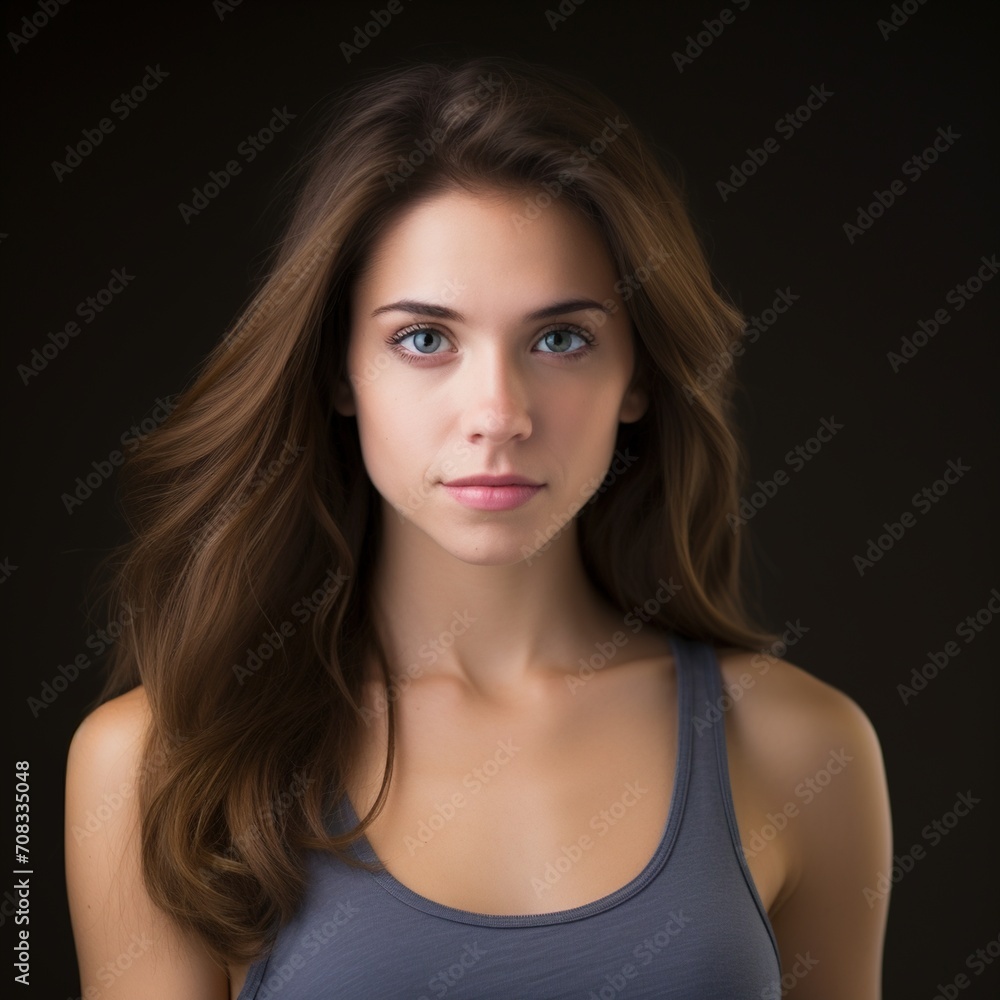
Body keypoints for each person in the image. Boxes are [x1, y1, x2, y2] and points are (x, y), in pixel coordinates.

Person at [64, 54, 892, 999]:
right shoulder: (153, 766)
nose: (497, 412)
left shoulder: (804, 747)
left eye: (560, 339)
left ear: (639, 378)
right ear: (338, 371)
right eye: (424, 339)